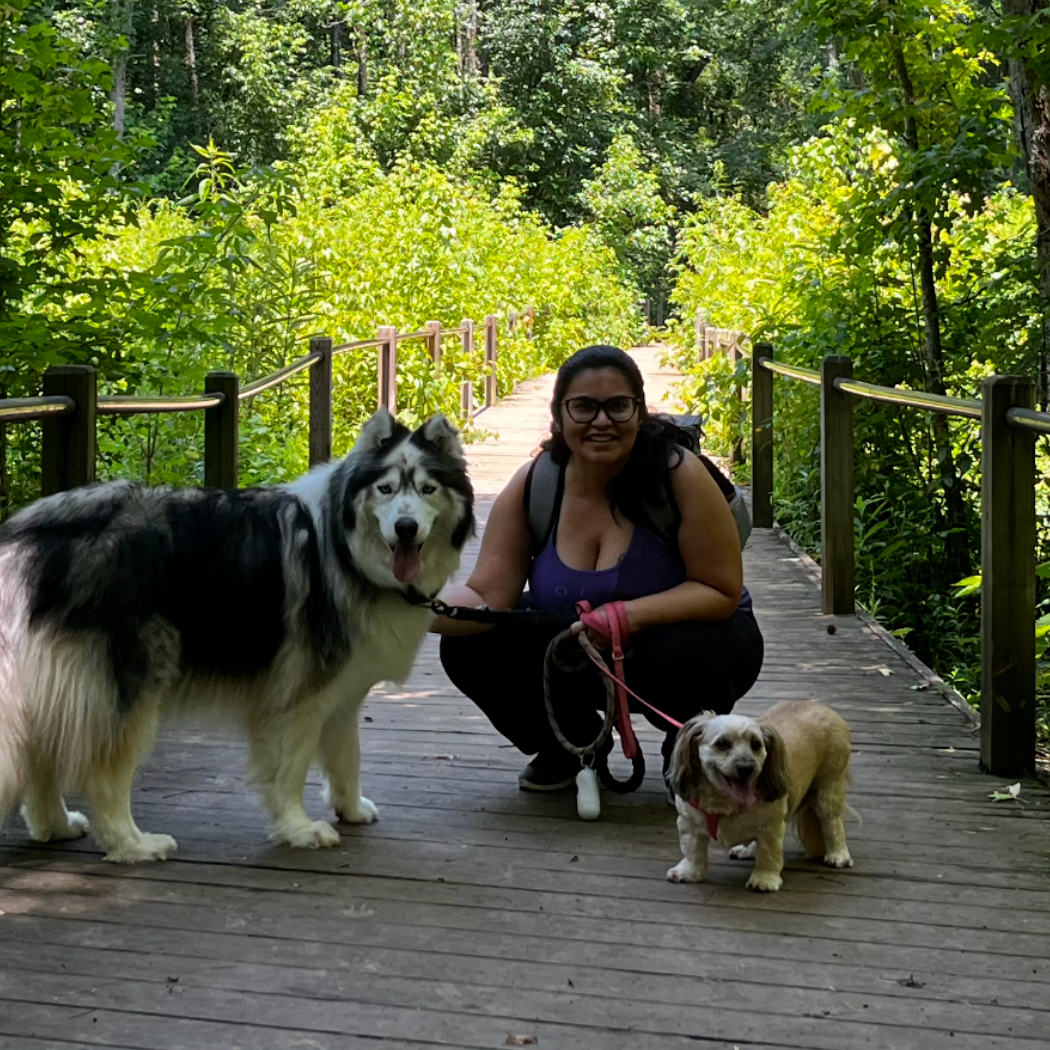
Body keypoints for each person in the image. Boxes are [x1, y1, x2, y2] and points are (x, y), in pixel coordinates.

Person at [431, 344, 764, 792]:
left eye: (618, 406)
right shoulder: (535, 483)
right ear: (560, 415)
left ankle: (688, 752)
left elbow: (719, 589)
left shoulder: (680, 475)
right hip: (579, 649)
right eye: (584, 407)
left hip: (693, 645)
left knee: (689, 651)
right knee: (470, 644)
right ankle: (567, 747)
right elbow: (488, 596)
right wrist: (413, 607)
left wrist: (623, 618)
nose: (601, 421)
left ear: (640, 412)